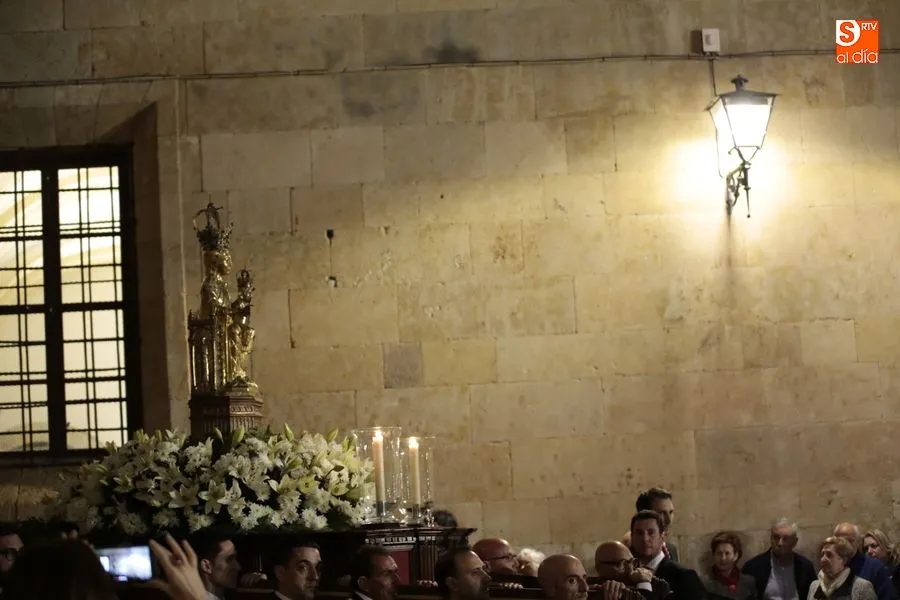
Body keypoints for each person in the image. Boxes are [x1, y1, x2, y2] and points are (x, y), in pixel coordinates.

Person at [743, 519, 816, 600]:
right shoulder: (754, 567)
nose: (780, 543)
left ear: (795, 542)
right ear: (770, 539)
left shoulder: (805, 567)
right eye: (776, 537)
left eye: (785, 539)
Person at [807, 537, 876, 600]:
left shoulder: (862, 587)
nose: (823, 559)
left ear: (843, 560)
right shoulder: (814, 586)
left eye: (829, 555)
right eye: (822, 555)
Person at [703, 531, 757, 600]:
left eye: (727, 553)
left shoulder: (748, 582)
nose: (723, 558)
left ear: (736, 556)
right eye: (719, 553)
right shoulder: (705, 583)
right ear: (714, 555)